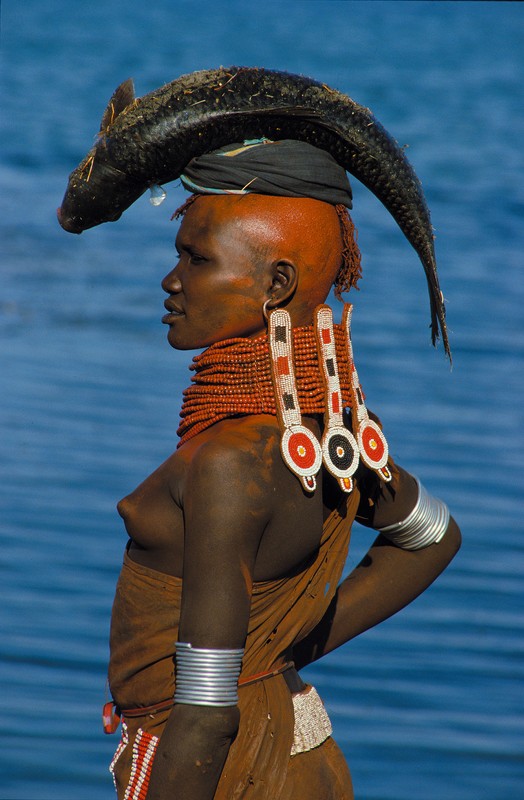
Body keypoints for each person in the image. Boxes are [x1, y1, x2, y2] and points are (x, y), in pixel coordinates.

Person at [105, 140, 461, 800]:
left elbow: (207, 717)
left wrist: (278, 649)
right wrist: (277, 653)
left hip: (232, 772)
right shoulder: (334, 431)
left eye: (195, 258)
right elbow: (433, 535)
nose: (171, 279)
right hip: (297, 752)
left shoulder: (228, 465)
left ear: (276, 284)